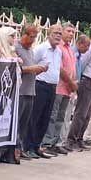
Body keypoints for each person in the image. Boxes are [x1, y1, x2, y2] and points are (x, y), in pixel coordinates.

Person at [26, 24, 63, 159]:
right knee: (35, 117)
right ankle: (28, 146)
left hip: (52, 87)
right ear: (49, 34)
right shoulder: (41, 49)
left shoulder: (58, 51)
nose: (58, 36)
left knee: (45, 118)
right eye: (55, 33)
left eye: (60, 33)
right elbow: (31, 64)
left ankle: (37, 146)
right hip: (40, 85)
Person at [41, 23, 77, 155]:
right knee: (52, 116)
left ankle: (56, 142)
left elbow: (72, 67)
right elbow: (60, 69)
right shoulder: (58, 48)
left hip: (67, 89)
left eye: (73, 32)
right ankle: (47, 142)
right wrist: (70, 82)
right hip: (59, 86)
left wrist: (73, 83)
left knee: (61, 117)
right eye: (68, 31)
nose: (71, 34)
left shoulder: (70, 49)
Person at [0, 26, 22, 163]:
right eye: (11, 36)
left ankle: (6, 153)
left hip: (12, 92)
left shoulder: (12, 52)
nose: (14, 39)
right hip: (0, 94)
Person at [15, 24, 47, 159]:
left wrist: (39, 69)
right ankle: (14, 150)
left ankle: (20, 149)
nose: (33, 40)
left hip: (30, 90)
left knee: (24, 124)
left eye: (35, 37)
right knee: (17, 123)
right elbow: (15, 68)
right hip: (20, 91)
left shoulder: (30, 51)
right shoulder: (16, 48)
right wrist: (32, 68)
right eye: (32, 37)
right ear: (24, 34)